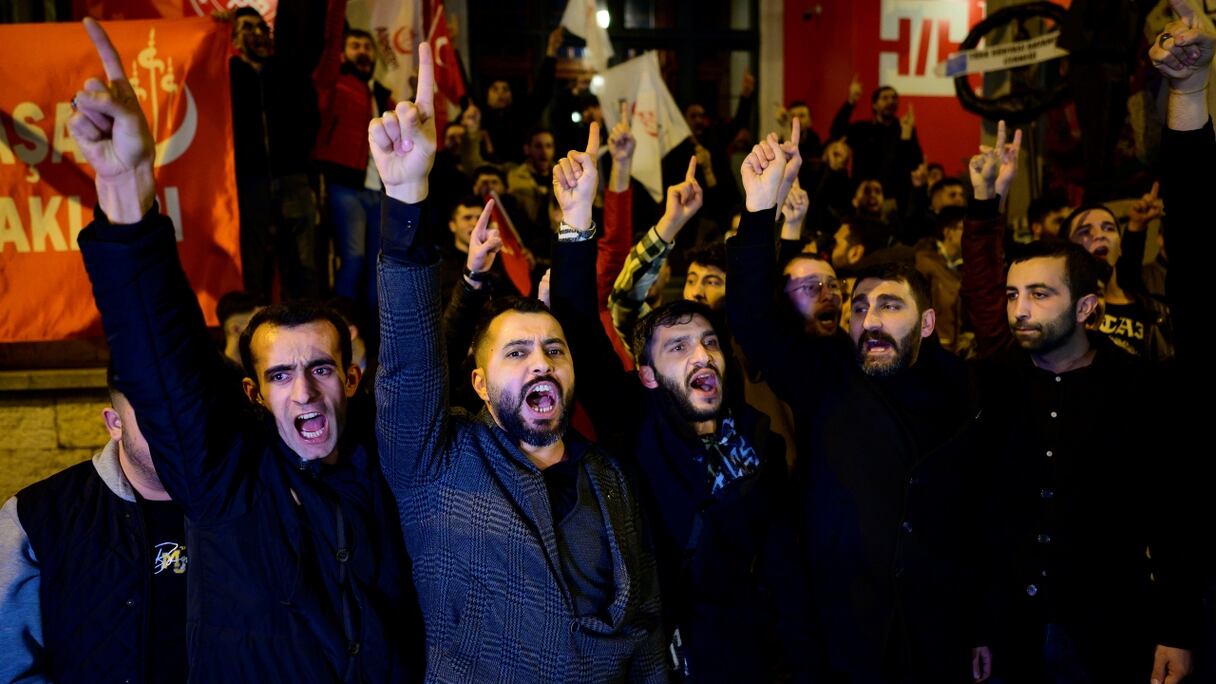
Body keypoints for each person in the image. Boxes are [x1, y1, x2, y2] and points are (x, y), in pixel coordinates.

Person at [67, 19, 419, 680]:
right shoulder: (227, 481)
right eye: (281, 374)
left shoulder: (394, 467)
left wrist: (407, 201)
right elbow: (161, 365)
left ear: (352, 376)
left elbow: (420, 358)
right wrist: (126, 193)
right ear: (253, 393)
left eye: (320, 368)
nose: (305, 392)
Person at [370, 46, 666, 680]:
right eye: (517, 351)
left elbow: (643, 630)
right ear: (477, 383)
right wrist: (406, 197)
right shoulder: (433, 463)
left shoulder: (609, 474)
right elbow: (410, 363)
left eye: (554, 350)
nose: (542, 363)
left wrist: (581, 220)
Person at [727, 129, 992, 682]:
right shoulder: (828, 377)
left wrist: (981, 627)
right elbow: (752, 319)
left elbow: (980, 521)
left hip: (936, 639)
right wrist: (759, 207)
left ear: (926, 323)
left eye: (888, 306)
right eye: (859, 306)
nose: (868, 320)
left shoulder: (964, 392)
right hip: (842, 640)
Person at [546, 141, 812, 680]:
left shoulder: (761, 443)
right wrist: (576, 220)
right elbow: (578, 323)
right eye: (678, 348)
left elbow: (788, 574)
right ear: (646, 375)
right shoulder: (636, 425)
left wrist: (760, 209)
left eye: (709, 342)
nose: (701, 356)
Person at [960, 111, 1202, 682]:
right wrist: (983, 202)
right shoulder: (999, 380)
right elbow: (979, 522)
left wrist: (1177, 629)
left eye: (1040, 294)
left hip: (1109, 630)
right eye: (1015, 293)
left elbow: (1172, 517)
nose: (1021, 308)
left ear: (1087, 308)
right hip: (1012, 628)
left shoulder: (1138, 387)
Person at [0, 366, 188, 684]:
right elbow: (10, 662)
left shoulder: (240, 503)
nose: (170, 429)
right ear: (115, 424)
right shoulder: (37, 514)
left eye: (183, 411)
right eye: (150, 413)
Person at [227, 6, 321, 301]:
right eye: (248, 28)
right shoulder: (227, 74)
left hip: (293, 179)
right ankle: (257, 333)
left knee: (304, 264)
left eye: (262, 28)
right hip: (249, 182)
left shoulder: (287, 71)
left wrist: (301, 158)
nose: (258, 34)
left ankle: (310, 327)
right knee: (254, 263)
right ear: (233, 37)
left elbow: (310, 116)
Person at [314, 13, 395, 306]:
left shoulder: (383, 95)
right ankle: (344, 323)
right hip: (345, 186)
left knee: (379, 265)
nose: (362, 51)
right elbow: (326, 56)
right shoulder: (335, 85)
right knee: (354, 259)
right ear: (343, 53)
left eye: (367, 46)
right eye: (355, 46)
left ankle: (375, 336)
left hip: (380, 190)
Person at [830, 76, 923, 207]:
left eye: (894, 98)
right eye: (885, 98)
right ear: (874, 104)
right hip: (864, 195)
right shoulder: (862, 128)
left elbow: (914, 163)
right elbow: (836, 133)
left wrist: (907, 136)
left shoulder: (904, 129)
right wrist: (850, 102)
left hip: (895, 199)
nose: (891, 101)